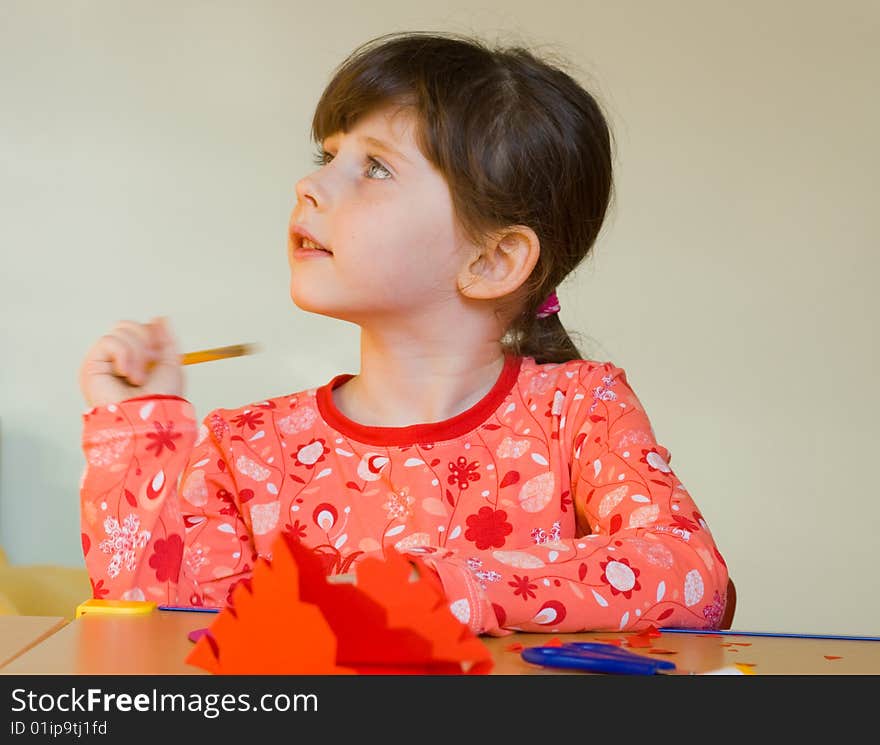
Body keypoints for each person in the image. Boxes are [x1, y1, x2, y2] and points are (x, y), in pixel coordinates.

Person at [77, 31, 729, 635]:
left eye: (376, 168)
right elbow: (161, 640)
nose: (308, 184)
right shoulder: (244, 448)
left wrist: (447, 587)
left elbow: (691, 577)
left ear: (491, 260)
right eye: (328, 156)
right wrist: (143, 430)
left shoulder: (579, 408)